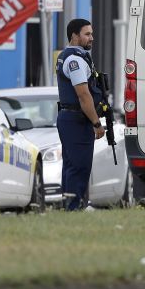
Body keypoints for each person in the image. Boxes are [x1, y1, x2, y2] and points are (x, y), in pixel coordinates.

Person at [56, 19, 105, 211]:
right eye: (87, 34)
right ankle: (74, 207)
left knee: (72, 165)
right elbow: (83, 95)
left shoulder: (76, 56)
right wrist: (96, 122)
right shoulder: (74, 60)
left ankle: (70, 205)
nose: (91, 38)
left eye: (92, 34)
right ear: (74, 36)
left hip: (71, 118)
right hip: (76, 119)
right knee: (79, 166)